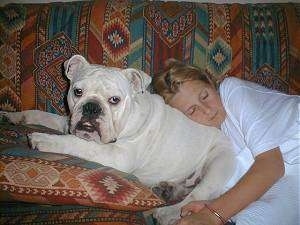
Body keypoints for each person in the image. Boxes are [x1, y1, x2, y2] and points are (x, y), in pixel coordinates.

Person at [152, 59, 300, 225]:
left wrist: (212, 214)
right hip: (288, 179)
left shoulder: (232, 91)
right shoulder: (209, 148)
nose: (207, 110)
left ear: (210, 83)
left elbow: (271, 165)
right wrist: (211, 207)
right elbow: (250, 192)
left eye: (205, 96)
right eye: (192, 111)